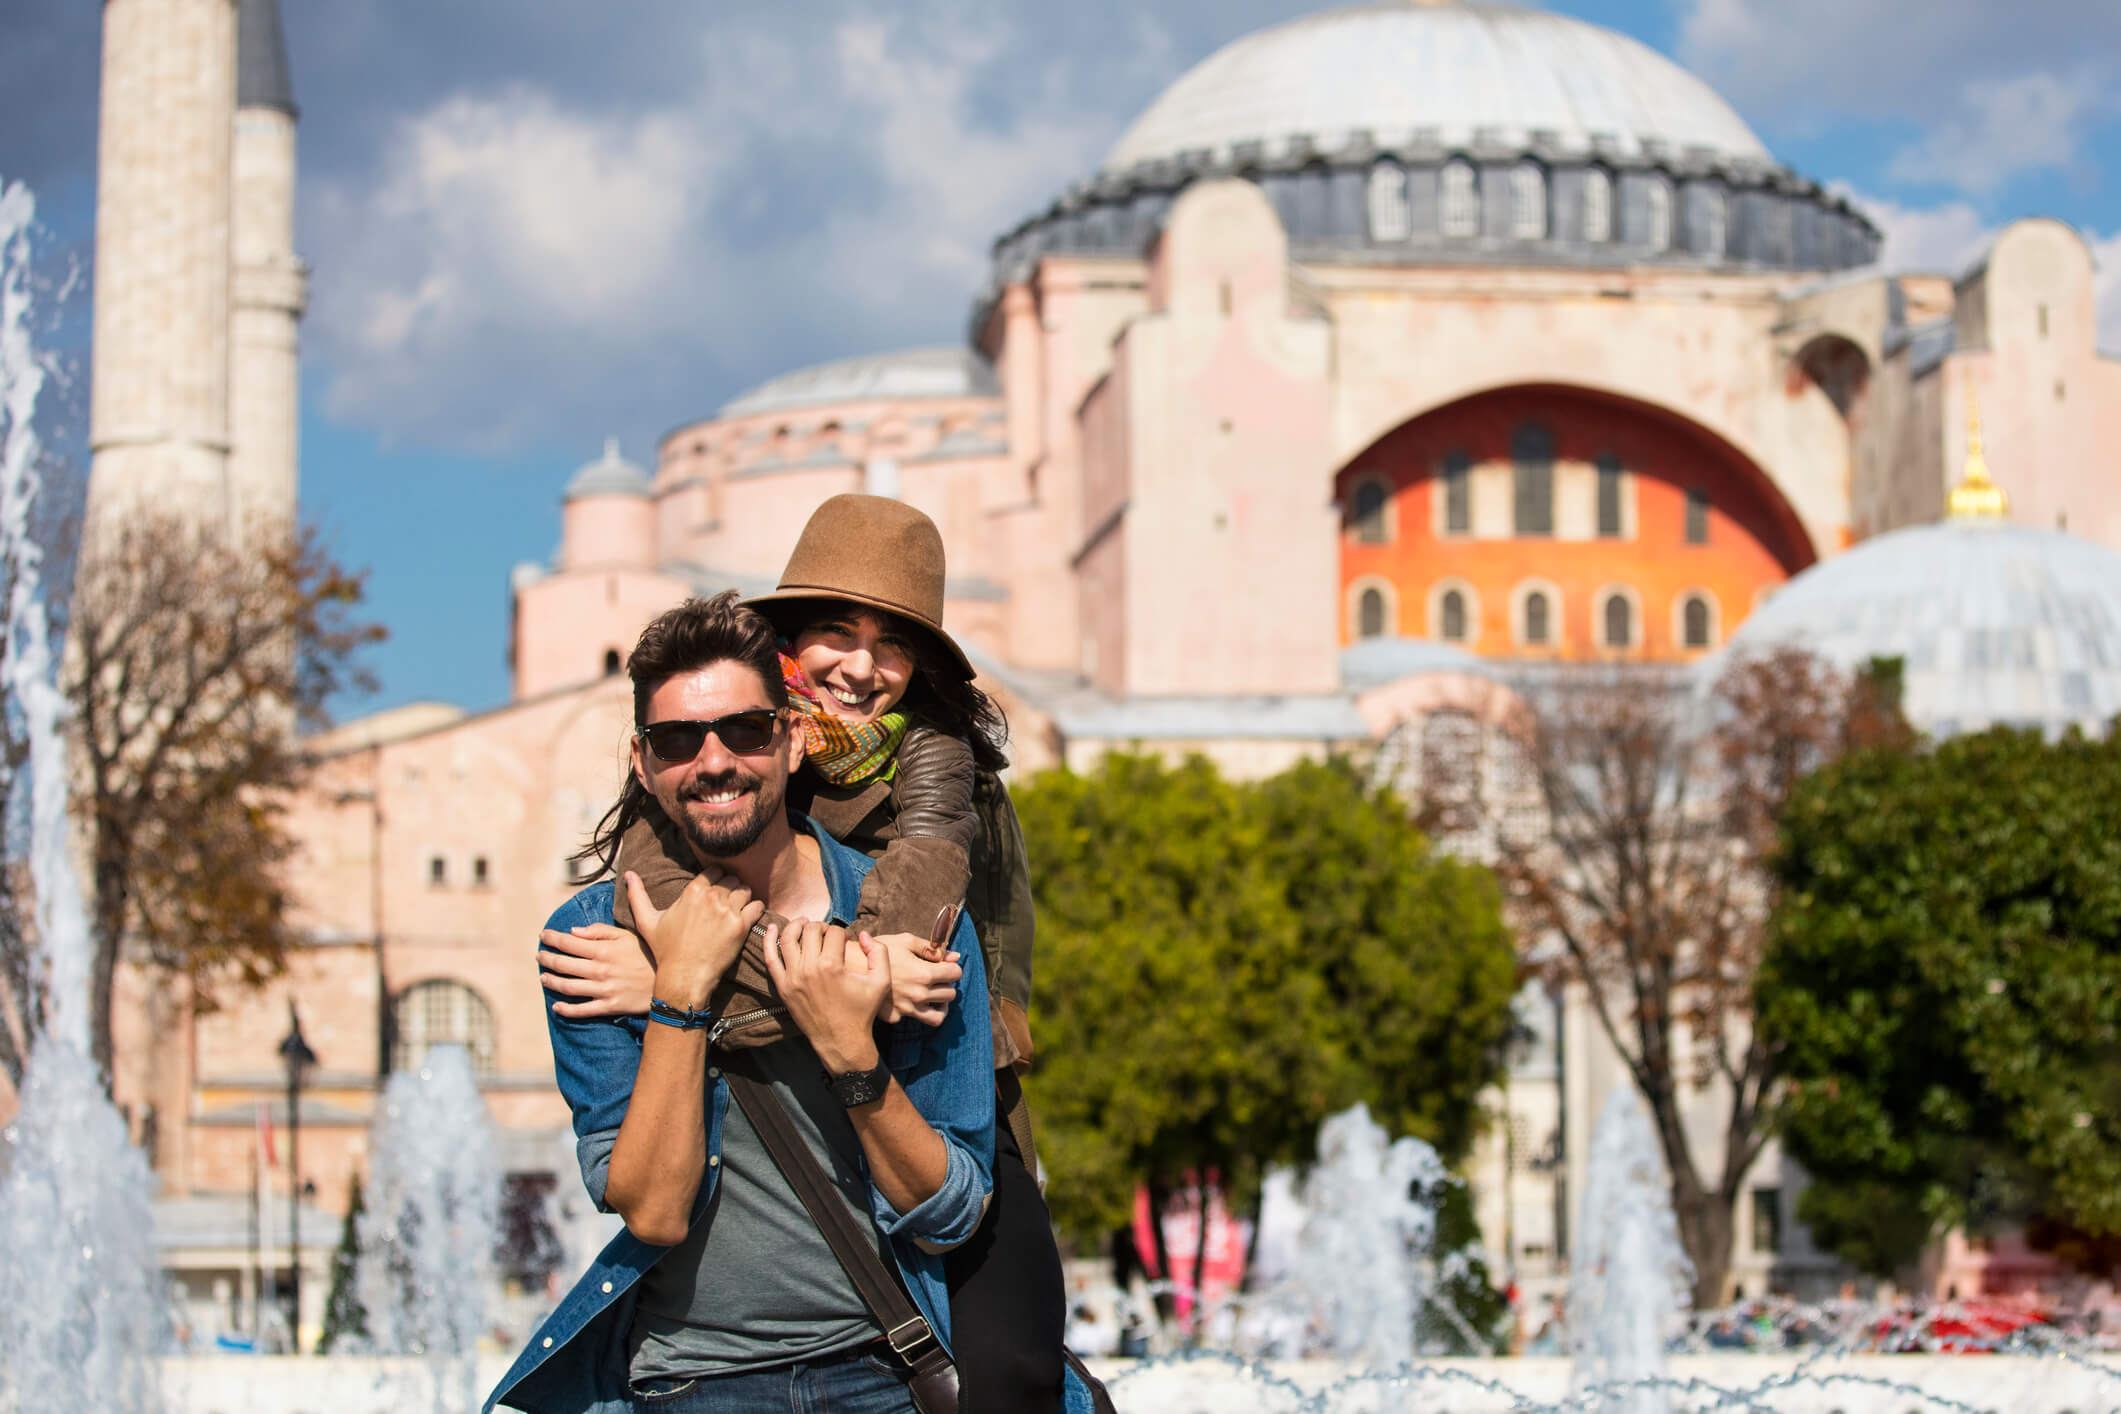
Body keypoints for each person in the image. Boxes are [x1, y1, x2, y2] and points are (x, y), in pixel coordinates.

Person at [539, 496, 1065, 1411]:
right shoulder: (706, 761)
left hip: (951, 1071)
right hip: (719, 1323)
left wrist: (695, 985)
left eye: (892, 643)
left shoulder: (945, 780)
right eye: (834, 631)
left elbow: (912, 978)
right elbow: (664, 900)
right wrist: (676, 981)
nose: (860, 668)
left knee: (1014, 1374)